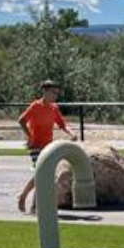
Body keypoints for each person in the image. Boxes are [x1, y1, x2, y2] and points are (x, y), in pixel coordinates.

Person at [16, 80, 77, 213]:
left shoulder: (54, 108)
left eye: (57, 93)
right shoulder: (35, 106)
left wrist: (72, 133)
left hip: (48, 146)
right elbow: (21, 120)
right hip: (35, 145)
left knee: (43, 175)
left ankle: (25, 197)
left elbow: (62, 124)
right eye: (53, 92)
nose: (55, 95)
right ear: (44, 91)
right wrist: (30, 136)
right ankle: (31, 204)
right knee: (41, 174)